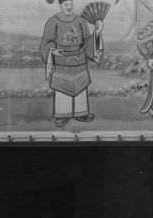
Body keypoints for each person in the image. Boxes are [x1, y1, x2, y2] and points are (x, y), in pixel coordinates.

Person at [40, 0, 104, 128]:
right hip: (61, 60)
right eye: (66, 5)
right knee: (62, 88)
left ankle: (82, 113)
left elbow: (87, 42)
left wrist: (97, 32)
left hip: (79, 60)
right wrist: (52, 50)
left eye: (70, 4)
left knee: (81, 87)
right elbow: (46, 42)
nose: (69, 7)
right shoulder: (53, 21)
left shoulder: (80, 20)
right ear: (60, 5)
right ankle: (62, 116)